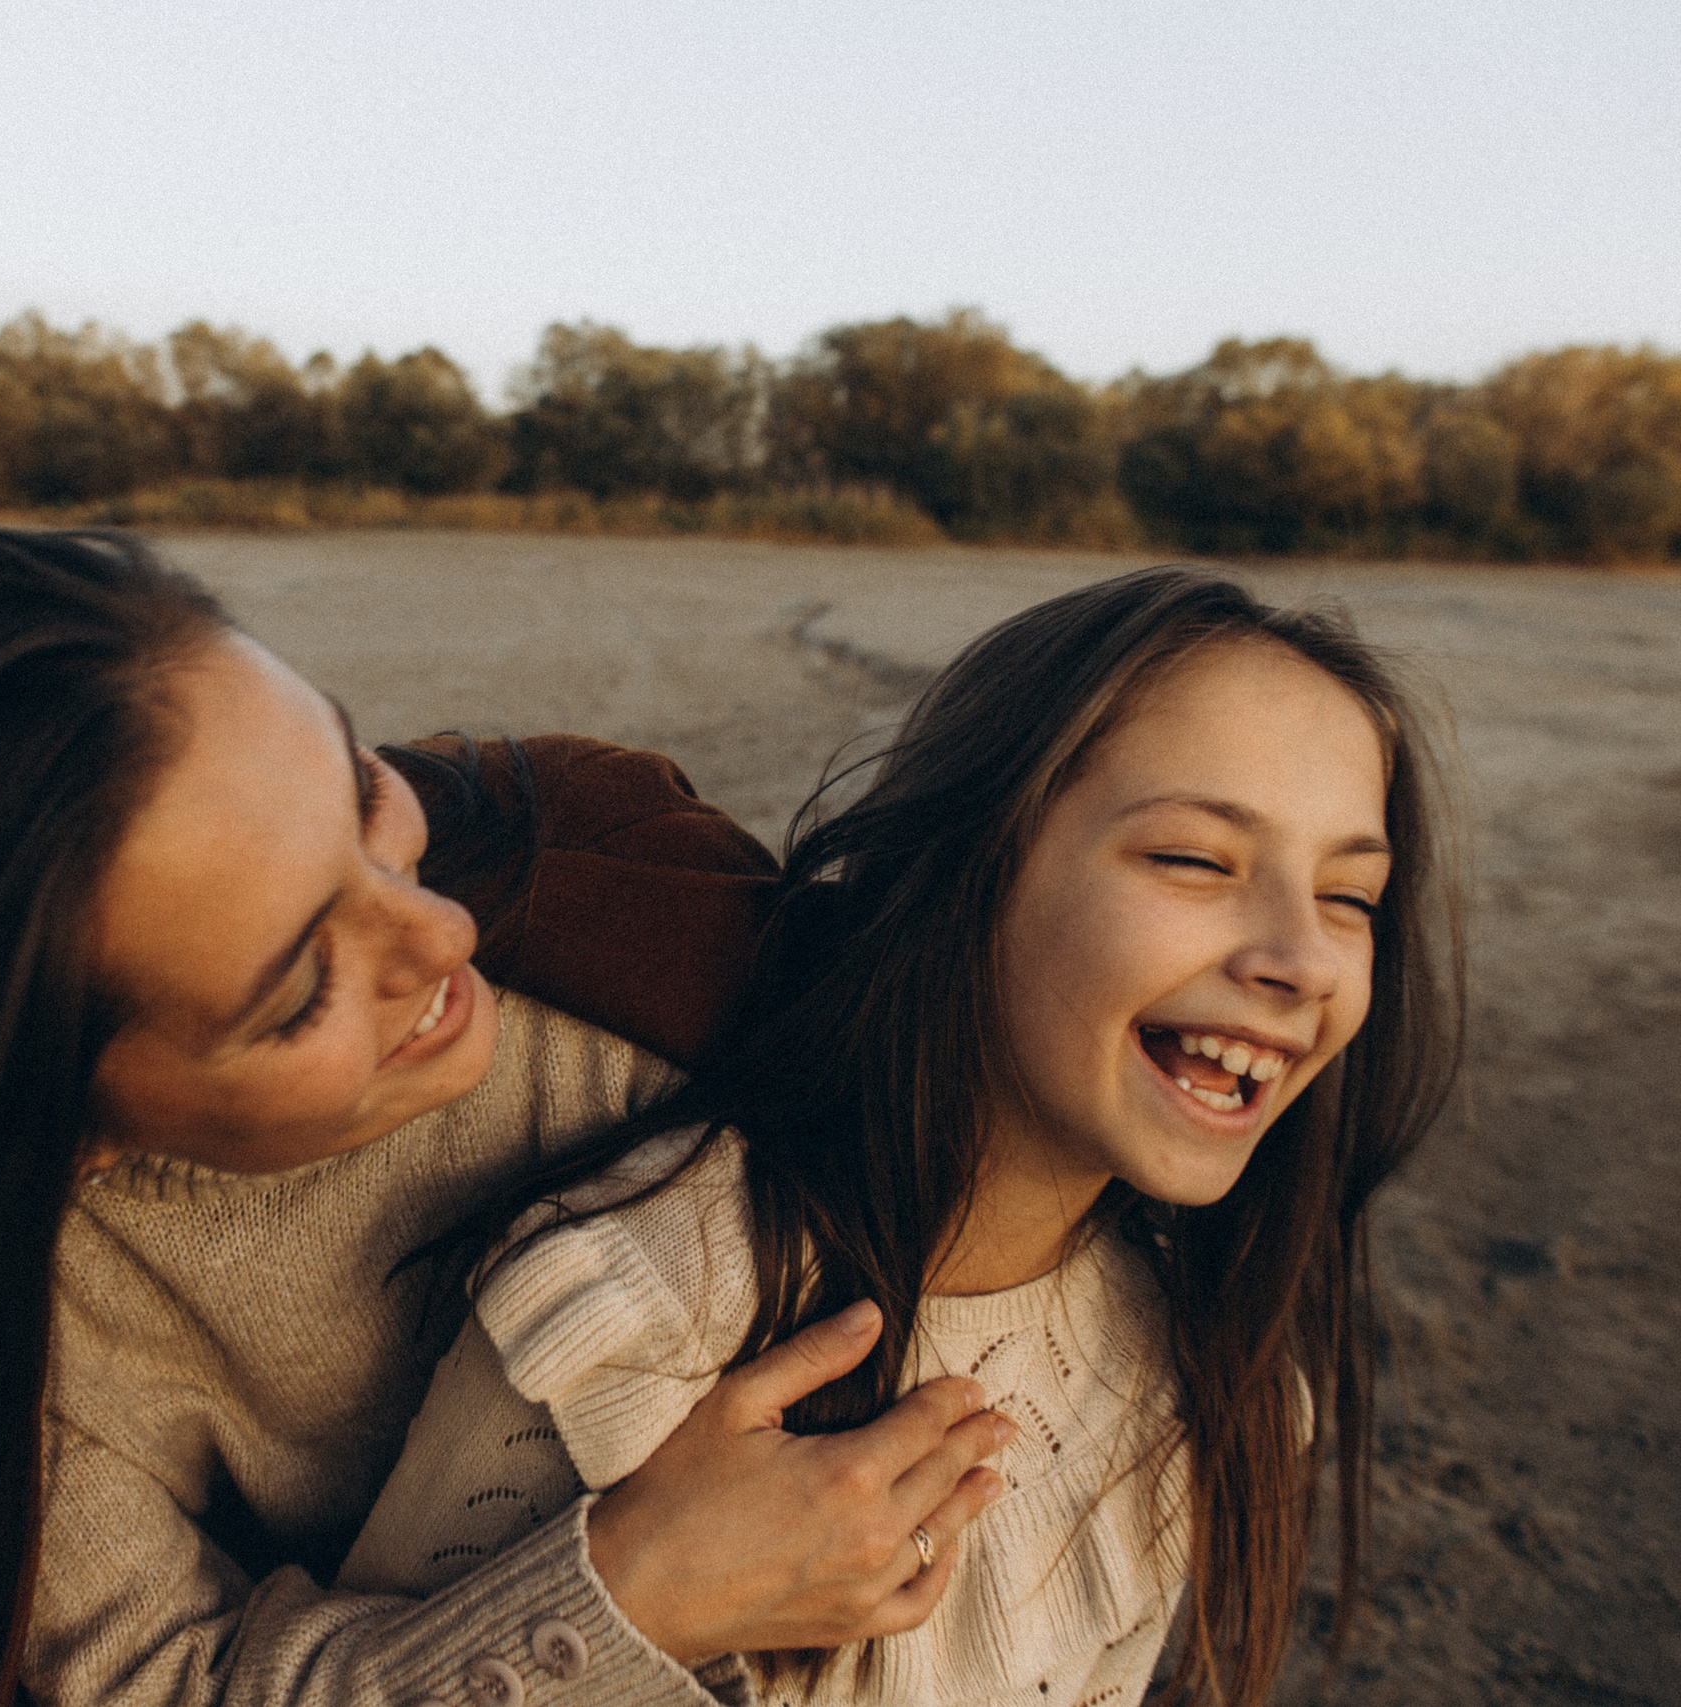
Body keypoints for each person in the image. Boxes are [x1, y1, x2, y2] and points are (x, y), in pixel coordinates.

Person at [0, 526, 1008, 1707]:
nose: (435, 940)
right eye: (297, 989)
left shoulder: (581, 857)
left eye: (362, 794)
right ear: (64, 1133)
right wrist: (633, 1595)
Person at [333, 568, 1465, 1706]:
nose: (1302, 959)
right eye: (1193, 860)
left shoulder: (1208, 1385)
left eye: (1348, 898)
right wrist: (629, 1603)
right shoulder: (646, 1298)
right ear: (971, 870)